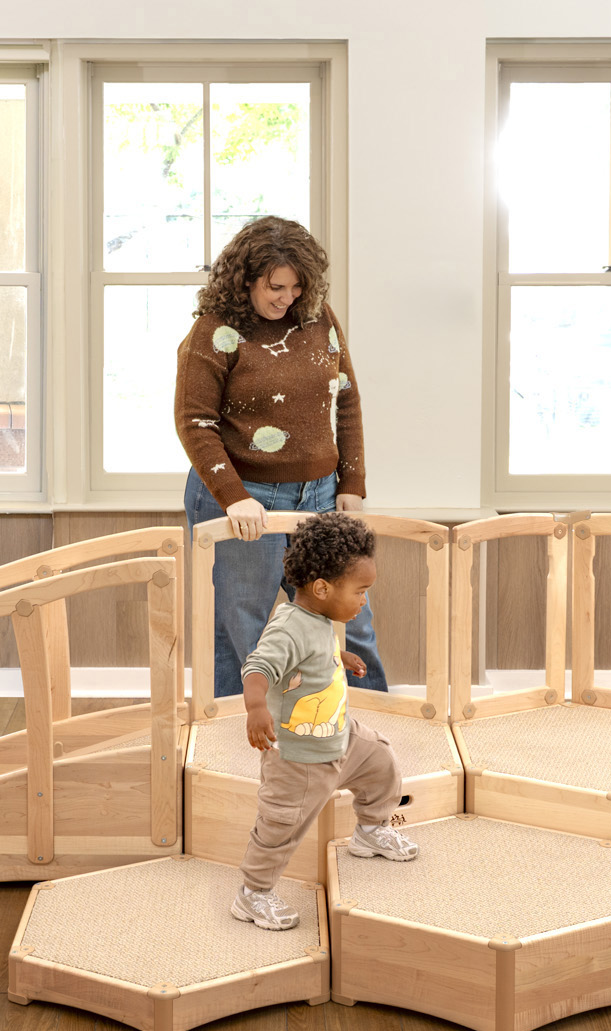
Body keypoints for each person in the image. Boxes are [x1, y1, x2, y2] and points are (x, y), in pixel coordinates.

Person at [176, 215, 387, 699]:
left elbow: (346, 399)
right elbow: (196, 423)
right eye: (275, 286)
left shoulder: (320, 320)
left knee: (351, 621)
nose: (286, 298)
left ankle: (369, 733)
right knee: (241, 632)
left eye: (296, 287)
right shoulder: (214, 332)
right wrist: (233, 498)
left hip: (320, 497)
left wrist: (351, 483)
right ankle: (235, 744)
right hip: (243, 496)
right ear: (245, 278)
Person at [232, 513, 417, 930]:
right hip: (298, 758)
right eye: (361, 591)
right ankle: (253, 893)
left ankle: (370, 830)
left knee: (382, 760)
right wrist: (256, 708)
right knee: (281, 826)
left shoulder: (320, 619)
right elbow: (258, 666)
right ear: (322, 588)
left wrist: (340, 658)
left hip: (339, 736)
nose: (364, 600)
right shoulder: (288, 627)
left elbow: (315, 657)